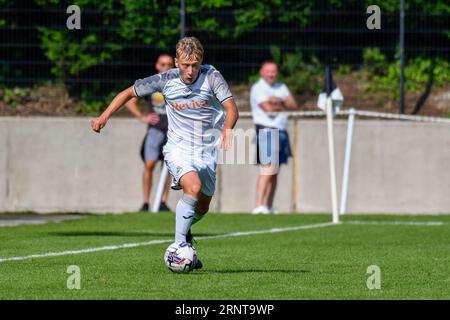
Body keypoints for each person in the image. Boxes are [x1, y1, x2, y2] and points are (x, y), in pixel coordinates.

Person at [91, 37, 239, 270]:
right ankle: (180, 247)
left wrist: (227, 129)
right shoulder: (165, 79)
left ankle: (186, 229)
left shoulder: (212, 77)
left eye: (195, 64)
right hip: (178, 147)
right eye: (185, 65)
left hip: (206, 150)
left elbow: (231, 108)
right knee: (193, 188)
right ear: (176, 61)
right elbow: (128, 93)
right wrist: (104, 116)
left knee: (203, 207)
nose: (190, 71)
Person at [124, 54, 174, 212]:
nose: (165, 67)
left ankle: (163, 201)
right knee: (149, 164)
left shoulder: (177, 84)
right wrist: (142, 117)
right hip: (155, 130)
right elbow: (130, 101)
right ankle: (145, 202)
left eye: (169, 64)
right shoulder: (151, 83)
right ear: (157, 66)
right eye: (163, 64)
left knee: (168, 167)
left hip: (172, 131)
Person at [250, 60, 299, 214]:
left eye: (273, 71)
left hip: (281, 131)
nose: (271, 74)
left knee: (275, 171)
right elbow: (268, 109)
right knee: (268, 168)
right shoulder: (258, 88)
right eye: (268, 71)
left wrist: (276, 101)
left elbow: (293, 104)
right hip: (267, 131)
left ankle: (269, 206)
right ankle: (259, 205)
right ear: (262, 72)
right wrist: (282, 102)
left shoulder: (281, 87)